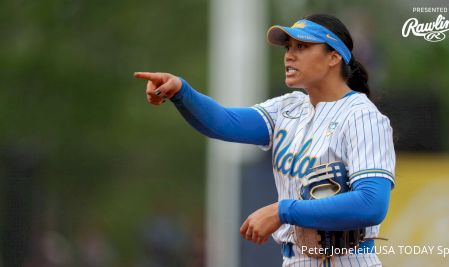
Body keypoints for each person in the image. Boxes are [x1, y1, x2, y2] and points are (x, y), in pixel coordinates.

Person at [134, 13, 395, 267]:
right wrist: (181, 91)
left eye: (302, 46)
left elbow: (372, 203)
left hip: (347, 259)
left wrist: (283, 211)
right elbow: (223, 123)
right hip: (293, 259)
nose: (290, 55)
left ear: (334, 57)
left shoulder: (362, 117)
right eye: (288, 47)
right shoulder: (287, 108)